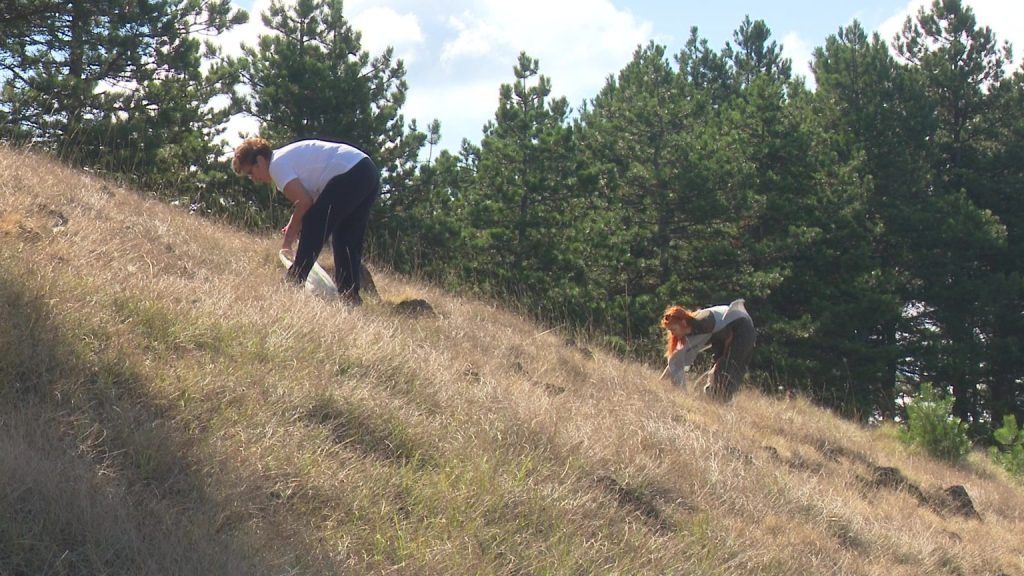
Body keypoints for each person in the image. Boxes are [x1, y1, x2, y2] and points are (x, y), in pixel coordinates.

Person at [233, 137, 380, 306]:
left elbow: (304, 203)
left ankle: (295, 279)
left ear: (259, 160)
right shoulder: (284, 159)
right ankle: (350, 296)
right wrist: (294, 223)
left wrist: (288, 239)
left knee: (315, 224)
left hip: (350, 172)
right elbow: (310, 202)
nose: (253, 179)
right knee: (346, 238)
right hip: (367, 171)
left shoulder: (276, 166)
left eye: (250, 172)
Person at [659, 299, 755, 401]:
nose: (672, 334)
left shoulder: (702, 324)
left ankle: (721, 404)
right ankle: (709, 397)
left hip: (742, 330)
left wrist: (683, 396)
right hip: (725, 334)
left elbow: (676, 359)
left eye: (673, 329)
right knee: (716, 373)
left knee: (726, 373)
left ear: (683, 323)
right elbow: (676, 359)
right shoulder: (691, 327)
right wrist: (660, 382)